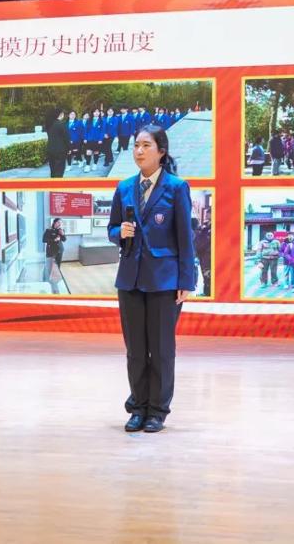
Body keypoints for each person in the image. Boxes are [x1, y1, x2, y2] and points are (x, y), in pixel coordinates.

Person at [108, 125, 196, 433]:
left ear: (161, 151)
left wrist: (186, 280)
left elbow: (185, 237)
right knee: (135, 350)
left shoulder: (176, 188)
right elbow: (112, 228)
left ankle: (157, 410)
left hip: (164, 281)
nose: (139, 151)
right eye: (136, 145)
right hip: (130, 279)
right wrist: (119, 232)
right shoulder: (123, 188)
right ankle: (138, 407)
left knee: (160, 350)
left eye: (146, 145)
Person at [44, 108, 70, 178]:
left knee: (53, 170)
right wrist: (69, 149)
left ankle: (52, 183)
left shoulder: (49, 124)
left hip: (50, 149)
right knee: (59, 171)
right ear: (61, 114)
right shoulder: (62, 124)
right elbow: (66, 138)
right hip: (60, 151)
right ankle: (57, 184)